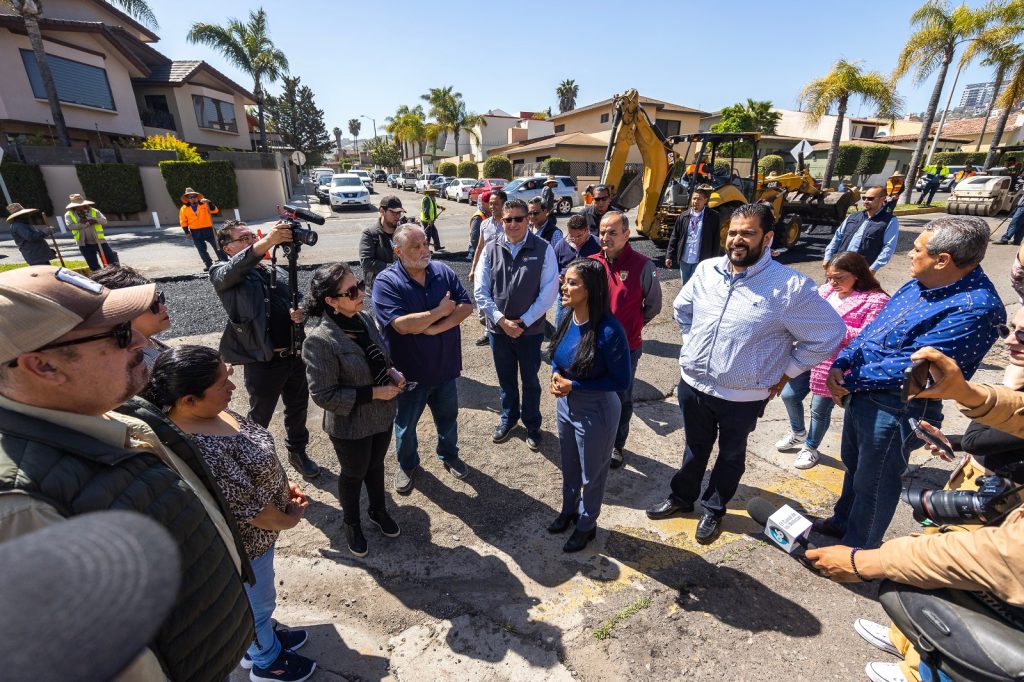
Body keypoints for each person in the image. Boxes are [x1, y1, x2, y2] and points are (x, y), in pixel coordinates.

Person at [0, 265, 255, 681]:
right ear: (44, 367)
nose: (140, 339)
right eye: (119, 333)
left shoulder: (113, 405)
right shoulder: (21, 511)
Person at [807, 348, 1024, 682]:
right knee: (934, 586)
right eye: (1008, 330)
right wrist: (968, 394)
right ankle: (909, 642)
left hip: (1003, 525)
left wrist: (865, 563)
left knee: (972, 621)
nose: (1010, 340)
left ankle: (921, 673)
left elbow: (1004, 556)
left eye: (1021, 333)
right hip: (992, 490)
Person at [646, 203, 846, 544]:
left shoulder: (790, 287)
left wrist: (787, 372)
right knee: (695, 448)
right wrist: (692, 342)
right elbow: (683, 308)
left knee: (730, 454)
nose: (738, 239)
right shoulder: (708, 270)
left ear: (767, 238)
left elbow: (829, 333)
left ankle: (714, 508)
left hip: (743, 395)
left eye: (748, 233)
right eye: (734, 232)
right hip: (693, 385)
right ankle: (682, 498)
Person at [820, 216, 1005, 549]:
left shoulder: (976, 308)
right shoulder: (919, 283)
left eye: (917, 249)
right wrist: (843, 361)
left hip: (895, 406)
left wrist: (849, 378)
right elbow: (874, 331)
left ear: (942, 259)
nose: (909, 255)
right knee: (855, 467)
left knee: (874, 482)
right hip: (861, 392)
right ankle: (842, 523)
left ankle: (856, 553)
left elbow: (915, 367)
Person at [142, 346, 317, 682]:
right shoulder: (200, 447)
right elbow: (253, 512)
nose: (232, 388)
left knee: (258, 602)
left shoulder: (210, 412)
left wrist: (282, 484)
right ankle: (267, 661)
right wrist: (289, 518)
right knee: (256, 605)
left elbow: (255, 458)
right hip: (248, 545)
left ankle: (261, 640)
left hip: (263, 534)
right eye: (222, 383)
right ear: (188, 401)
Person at [302, 262, 404, 557]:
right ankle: (352, 523)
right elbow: (323, 395)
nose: (360, 292)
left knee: (376, 465)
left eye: (358, 284)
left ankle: (377, 510)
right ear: (331, 302)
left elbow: (379, 359)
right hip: (351, 424)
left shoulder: (364, 319)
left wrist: (393, 372)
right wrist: (375, 392)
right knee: (353, 473)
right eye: (351, 291)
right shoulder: (319, 341)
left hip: (382, 415)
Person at [212, 220, 321, 480]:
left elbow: (299, 298)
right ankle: (251, 460)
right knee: (260, 414)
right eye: (244, 238)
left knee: (297, 407)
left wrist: (301, 313)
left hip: (294, 354)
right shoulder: (222, 272)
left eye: (252, 235)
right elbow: (232, 271)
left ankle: (297, 451)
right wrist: (267, 242)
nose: (251, 239)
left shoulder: (276, 271)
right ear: (228, 248)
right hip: (263, 360)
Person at [373, 224, 473, 493]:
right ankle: (407, 465)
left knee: (448, 417)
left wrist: (435, 327)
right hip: (408, 374)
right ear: (397, 251)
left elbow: (466, 306)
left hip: (444, 367)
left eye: (424, 244)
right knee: (405, 426)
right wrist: (440, 310)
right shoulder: (386, 282)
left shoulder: (443, 271)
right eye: (415, 246)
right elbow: (401, 325)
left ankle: (449, 454)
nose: (423, 250)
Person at [776, 252, 890, 469]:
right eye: (829, 277)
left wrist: (833, 330)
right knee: (790, 395)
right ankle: (798, 431)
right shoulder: (826, 290)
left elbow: (872, 336)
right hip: (810, 354)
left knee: (820, 409)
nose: (833, 282)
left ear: (857, 274)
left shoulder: (876, 300)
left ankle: (810, 447)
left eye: (839, 277)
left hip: (836, 364)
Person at [548, 259, 631, 553]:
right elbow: (557, 355)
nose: (564, 287)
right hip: (566, 406)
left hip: (597, 411)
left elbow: (621, 380)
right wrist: (555, 375)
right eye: (564, 280)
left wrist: (576, 386)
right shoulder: (567, 318)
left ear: (591, 290)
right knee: (569, 465)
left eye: (572, 283)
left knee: (591, 474)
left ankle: (587, 525)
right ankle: (568, 511)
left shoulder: (609, 331)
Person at [474, 198, 559, 450]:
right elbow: (480, 290)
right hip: (498, 331)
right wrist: (501, 321)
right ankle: (509, 418)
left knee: (530, 381)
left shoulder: (543, 249)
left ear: (527, 219)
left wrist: (523, 322)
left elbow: (549, 291)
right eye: (507, 219)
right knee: (506, 379)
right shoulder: (491, 248)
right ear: (502, 221)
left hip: (530, 331)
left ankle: (532, 424)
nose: (513, 224)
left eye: (518, 219)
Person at [591, 211, 662, 469]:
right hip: (594, 347)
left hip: (626, 348)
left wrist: (631, 326)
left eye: (611, 232)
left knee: (621, 397)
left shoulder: (643, 266)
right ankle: (598, 437)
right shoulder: (592, 263)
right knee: (595, 394)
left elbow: (653, 305)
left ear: (626, 234)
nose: (605, 237)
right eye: (601, 231)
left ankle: (617, 445)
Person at [89, 265, 171, 369]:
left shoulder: (149, 342)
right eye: (151, 305)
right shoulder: (138, 366)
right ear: (121, 315)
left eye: (160, 299)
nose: (163, 307)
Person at [823, 185, 900, 272]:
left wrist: (873, 268)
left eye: (870, 199)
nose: (866, 201)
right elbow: (837, 237)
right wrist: (828, 257)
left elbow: (889, 247)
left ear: (882, 199)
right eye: (864, 198)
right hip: (839, 265)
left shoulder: (890, 221)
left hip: (862, 270)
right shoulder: (853, 217)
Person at [469, 190, 507, 346]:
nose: (492, 206)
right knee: (483, 300)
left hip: (504, 270)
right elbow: (479, 247)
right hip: (486, 270)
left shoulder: (510, 224)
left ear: (504, 204)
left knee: (501, 301)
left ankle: (500, 331)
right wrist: (473, 269)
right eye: (490, 203)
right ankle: (488, 330)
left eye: (496, 203)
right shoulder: (485, 224)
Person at [665, 186, 721, 284]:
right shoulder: (683, 216)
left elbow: (715, 241)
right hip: (684, 260)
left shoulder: (713, 217)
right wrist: (669, 255)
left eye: (699, 199)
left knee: (697, 286)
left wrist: (714, 261)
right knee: (685, 286)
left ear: (705, 201)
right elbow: (675, 237)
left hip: (701, 260)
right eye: (694, 198)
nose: (696, 201)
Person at [552, 214, 601, 325]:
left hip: (588, 300)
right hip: (565, 299)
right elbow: (553, 268)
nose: (575, 240)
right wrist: (558, 276)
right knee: (560, 332)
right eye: (571, 236)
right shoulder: (561, 245)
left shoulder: (598, 245)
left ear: (587, 230)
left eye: (579, 236)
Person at [361, 194, 405, 294]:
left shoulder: (403, 232)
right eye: (393, 212)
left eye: (399, 212)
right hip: (378, 285)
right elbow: (366, 262)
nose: (397, 216)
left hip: (401, 283)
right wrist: (393, 268)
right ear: (382, 211)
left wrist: (416, 233)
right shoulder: (370, 234)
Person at [63, 193, 119, 271]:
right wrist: (86, 224)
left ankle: (114, 275)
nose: (80, 206)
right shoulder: (69, 214)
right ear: (73, 206)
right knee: (93, 265)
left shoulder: (94, 211)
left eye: (81, 204)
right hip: (84, 244)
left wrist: (95, 220)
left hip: (100, 241)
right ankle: (100, 278)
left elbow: (104, 221)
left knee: (111, 261)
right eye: (77, 205)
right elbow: (71, 226)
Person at [178, 186, 226, 272]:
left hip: (209, 228)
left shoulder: (204, 204)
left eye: (194, 196)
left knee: (217, 246)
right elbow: (183, 221)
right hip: (195, 231)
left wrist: (210, 203)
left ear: (197, 197)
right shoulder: (184, 209)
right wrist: (186, 232)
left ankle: (224, 261)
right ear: (187, 199)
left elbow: (215, 211)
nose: (192, 198)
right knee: (201, 250)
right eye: (190, 197)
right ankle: (209, 265)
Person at [420, 187, 445, 251]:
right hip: (427, 220)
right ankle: (425, 250)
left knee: (434, 233)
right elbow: (426, 211)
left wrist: (440, 207)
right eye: (433, 192)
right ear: (429, 192)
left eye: (434, 191)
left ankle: (437, 247)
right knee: (428, 235)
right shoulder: (426, 199)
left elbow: (434, 205)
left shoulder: (430, 199)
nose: (434, 193)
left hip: (431, 220)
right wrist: (429, 220)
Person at [466, 193, 490, 260]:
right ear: (483, 203)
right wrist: (479, 255)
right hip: (476, 251)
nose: (492, 206)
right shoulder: (478, 217)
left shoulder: (488, 214)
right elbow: (474, 238)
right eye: (490, 203)